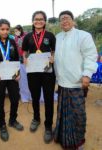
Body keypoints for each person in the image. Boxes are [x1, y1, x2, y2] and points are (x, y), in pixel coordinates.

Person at [54, 10, 98, 150]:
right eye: (61, 19)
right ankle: (63, 138)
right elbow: (58, 56)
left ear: (73, 21)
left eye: (67, 18)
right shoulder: (58, 37)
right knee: (62, 113)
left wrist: (87, 74)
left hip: (77, 82)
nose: (64, 21)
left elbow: (91, 56)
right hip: (62, 82)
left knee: (78, 114)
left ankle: (78, 142)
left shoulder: (83, 36)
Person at [22, 11, 56, 143]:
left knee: (48, 98)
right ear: (32, 21)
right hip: (33, 72)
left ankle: (48, 125)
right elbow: (24, 51)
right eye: (36, 19)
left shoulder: (50, 35)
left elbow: (54, 50)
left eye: (41, 19)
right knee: (35, 97)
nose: (39, 21)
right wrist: (24, 58)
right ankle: (36, 118)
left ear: (45, 21)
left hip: (47, 72)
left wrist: (53, 57)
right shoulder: (28, 36)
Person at [0, 19, 24, 142]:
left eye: (7, 29)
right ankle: (2, 125)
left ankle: (12, 120)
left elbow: (16, 58)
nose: (5, 31)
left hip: (11, 76)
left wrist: (18, 72)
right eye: (2, 29)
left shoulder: (12, 42)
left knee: (14, 99)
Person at [14, 25, 31, 102]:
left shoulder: (26, 36)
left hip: (27, 58)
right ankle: (24, 95)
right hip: (19, 58)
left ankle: (31, 95)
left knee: (29, 78)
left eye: (17, 31)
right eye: (15, 31)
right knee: (22, 79)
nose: (16, 33)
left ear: (20, 30)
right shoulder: (16, 37)